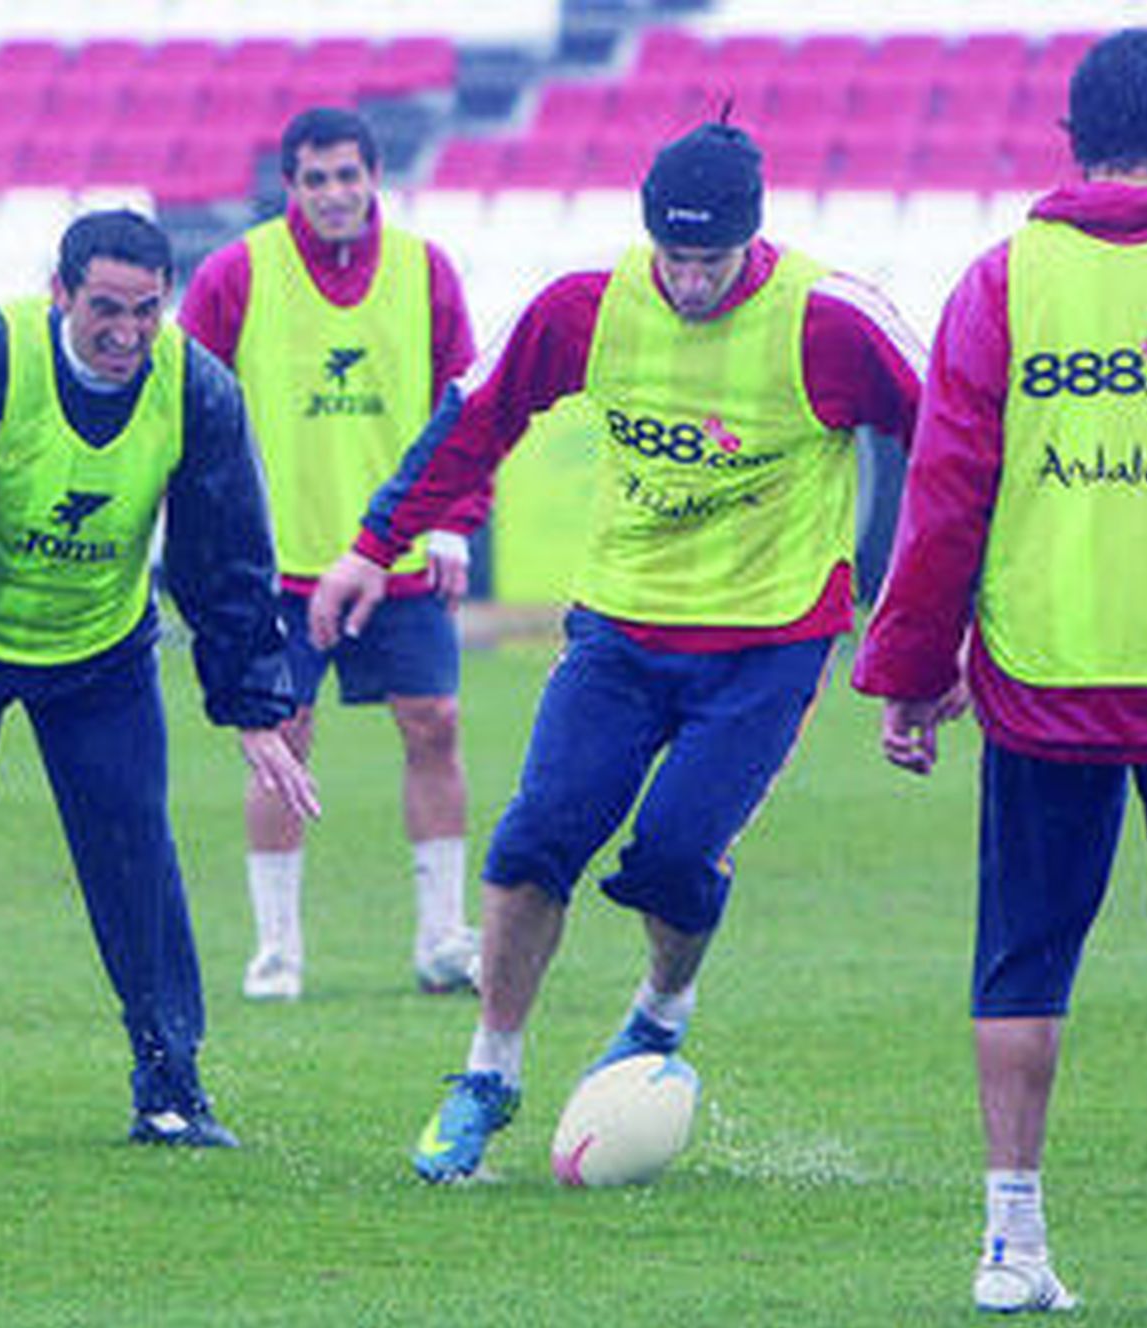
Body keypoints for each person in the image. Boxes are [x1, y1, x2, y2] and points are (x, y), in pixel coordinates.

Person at [310, 121, 924, 1182]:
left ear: (752, 238)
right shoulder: (587, 308)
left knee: (677, 854)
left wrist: (932, 625)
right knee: (537, 833)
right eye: (672, 257)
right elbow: (476, 414)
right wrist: (375, 546)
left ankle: (660, 1011)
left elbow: (955, 433)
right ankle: (488, 1072)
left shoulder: (829, 321)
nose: (687, 282)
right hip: (619, 634)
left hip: (768, 645)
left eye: (710, 260)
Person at [0, 208, 318, 1151]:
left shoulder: (196, 389)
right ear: (59, 291)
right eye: (104, 307)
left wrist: (254, 706)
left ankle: (170, 1090)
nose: (126, 333)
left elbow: (227, 559)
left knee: (137, 859)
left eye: (147, 310)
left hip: (99, 656)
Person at [853, 27, 1147, 1317]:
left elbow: (944, 493)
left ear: (1069, 137)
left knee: (1023, 961)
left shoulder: (1005, 280)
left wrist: (912, 668)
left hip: (1045, 676)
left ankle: (1010, 1246)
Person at [180, 106, 483, 1002]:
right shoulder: (238, 272)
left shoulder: (425, 270)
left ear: (374, 175)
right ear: (290, 186)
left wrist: (452, 521)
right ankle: (278, 949)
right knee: (283, 740)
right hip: (276, 564)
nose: (335, 193)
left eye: (349, 175)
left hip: (395, 558)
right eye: (316, 178)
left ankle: (441, 938)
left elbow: (469, 407)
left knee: (436, 723)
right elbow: (186, 405)